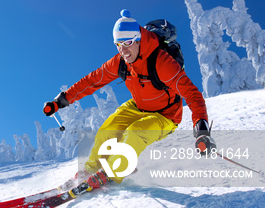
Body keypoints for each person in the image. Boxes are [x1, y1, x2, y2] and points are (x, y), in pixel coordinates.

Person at [43, 9, 215, 184]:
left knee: (135, 133)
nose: (123, 50)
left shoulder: (162, 62)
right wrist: (60, 101)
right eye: (118, 44)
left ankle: (112, 172)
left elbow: (193, 95)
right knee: (106, 131)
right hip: (137, 106)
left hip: (165, 115)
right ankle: (90, 172)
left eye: (128, 43)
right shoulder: (120, 61)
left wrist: (201, 129)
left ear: (139, 39)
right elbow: (91, 81)